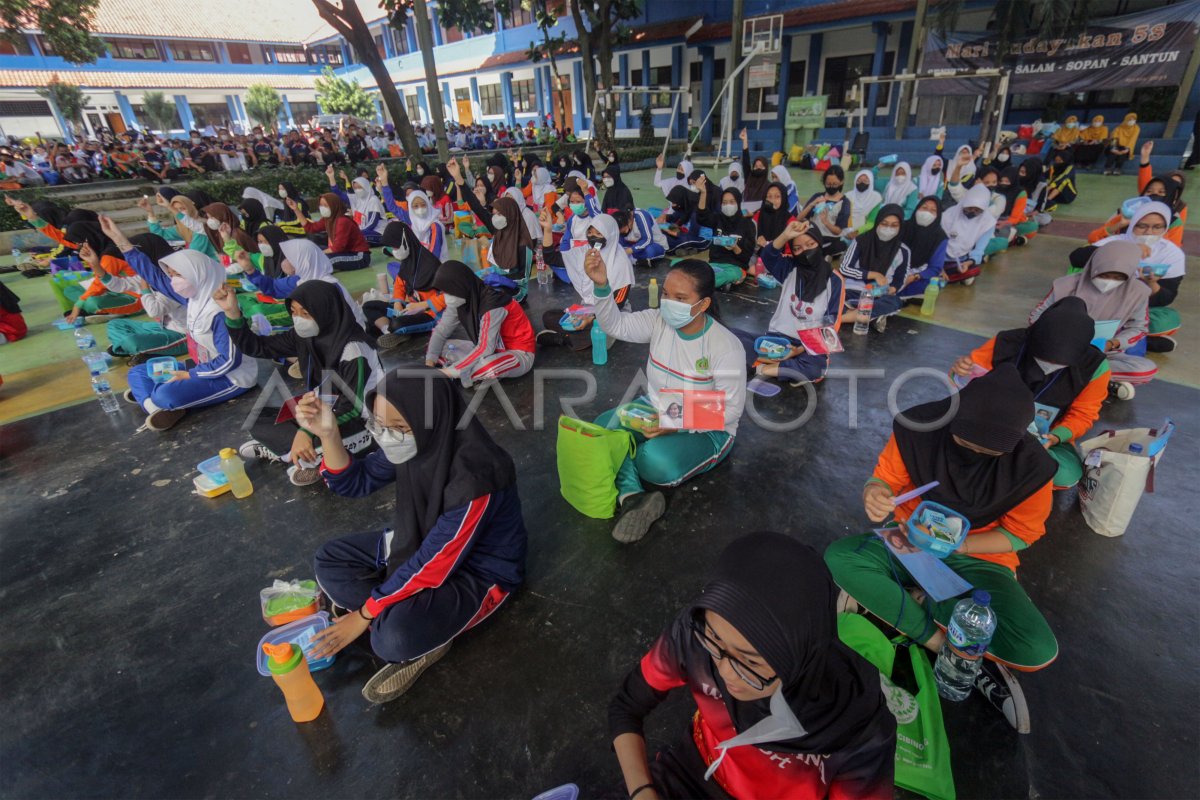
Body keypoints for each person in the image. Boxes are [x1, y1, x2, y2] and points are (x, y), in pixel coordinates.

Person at [825, 364, 1059, 732]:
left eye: (988, 453)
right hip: (908, 540)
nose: (972, 456)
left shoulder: (1031, 469)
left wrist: (962, 545)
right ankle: (944, 646)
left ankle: (915, 601)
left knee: (1036, 648)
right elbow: (884, 480)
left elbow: (1021, 534)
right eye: (965, 444)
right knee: (840, 558)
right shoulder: (918, 431)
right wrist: (875, 494)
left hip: (979, 558)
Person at [609, 532, 896, 800]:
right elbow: (627, 706)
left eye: (749, 661)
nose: (724, 672)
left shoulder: (857, 731)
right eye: (716, 643)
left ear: (801, 655)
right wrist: (642, 791)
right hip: (686, 775)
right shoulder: (698, 636)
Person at [302, 368, 528, 703]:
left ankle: (405, 618)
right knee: (329, 560)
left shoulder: (478, 476)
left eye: (398, 428)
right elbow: (354, 482)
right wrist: (329, 436)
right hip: (422, 539)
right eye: (380, 425)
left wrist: (364, 614)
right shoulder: (416, 440)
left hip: (478, 571)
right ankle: (404, 609)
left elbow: (435, 564)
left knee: (391, 640)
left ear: (429, 418)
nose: (388, 436)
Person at [586, 257, 747, 543]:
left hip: (711, 429)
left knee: (653, 462)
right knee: (603, 427)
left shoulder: (725, 346)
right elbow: (616, 326)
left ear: (703, 304)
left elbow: (731, 410)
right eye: (666, 294)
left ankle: (630, 462)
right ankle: (633, 498)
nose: (668, 302)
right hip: (657, 406)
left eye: (680, 297)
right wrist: (601, 286)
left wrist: (673, 422)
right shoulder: (658, 321)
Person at [217, 280, 383, 486]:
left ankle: (300, 457)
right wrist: (233, 314)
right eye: (294, 312)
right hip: (324, 408)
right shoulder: (305, 335)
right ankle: (297, 454)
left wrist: (306, 431)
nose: (298, 319)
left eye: (305, 313)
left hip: (365, 421)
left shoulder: (354, 350)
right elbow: (258, 347)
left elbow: (354, 409)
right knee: (260, 420)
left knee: (316, 437)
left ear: (325, 312)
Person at [100, 216, 257, 432]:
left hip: (231, 378)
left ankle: (158, 399)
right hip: (203, 368)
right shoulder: (194, 299)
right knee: (138, 372)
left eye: (178, 275)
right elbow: (154, 275)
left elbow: (229, 361)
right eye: (172, 275)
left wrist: (189, 375)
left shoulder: (220, 309)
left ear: (197, 275)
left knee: (165, 393)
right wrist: (120, 241)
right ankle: (156, 407)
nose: (174, 281)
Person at [952, 297, 1108, 488]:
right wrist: (960, 372)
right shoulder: (1007, 343)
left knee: (1065, 475)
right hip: (986, 427)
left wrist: (1056, 436)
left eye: (1061, 363)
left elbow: (1084, 414)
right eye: (1042, 357)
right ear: (1033, 337)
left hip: (1043, 439)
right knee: (953, 441)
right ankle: (1008, 473)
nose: (1050, 365)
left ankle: (997, 470)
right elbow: (966, 387)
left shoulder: (1094, 366)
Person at [1033, 240, 1154, 397]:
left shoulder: (1138, 292)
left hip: (1100, 351)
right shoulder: (1065, 285)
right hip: (1056, 348)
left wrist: (1112, 343)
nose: (1109, 281)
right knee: (1029, 355)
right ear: (1093, 266)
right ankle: (1093, 382)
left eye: (1118, 277)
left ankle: (1065, 378)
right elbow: (1036, 316)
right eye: (1104, 275)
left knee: (1144, 369)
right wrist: (1058, 335)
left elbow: (1139, 328)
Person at [735, 220, 844, 387]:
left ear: (819, 243)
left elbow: (831, 325)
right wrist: (786, 235)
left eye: (810, 244)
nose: (805, 252)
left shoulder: (834, 280)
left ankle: (761, 368)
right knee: (732, 336)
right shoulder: (789, 268)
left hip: (808, 348)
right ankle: (778, 366)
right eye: (797, 248)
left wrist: (798, 350)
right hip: (777, 340)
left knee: (815, 367)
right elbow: (768, 256)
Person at [1076, 201, 1184, 354]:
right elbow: (1076, 257)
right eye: (1142, 226)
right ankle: (1140, 340)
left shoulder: (1171, 254)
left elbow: (1166, 298)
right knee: (1077, 313)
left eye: (1157, 227)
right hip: (1100, 302)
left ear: (1165, 228)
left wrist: (1151, 284)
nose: (1149, 232)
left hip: (1135, 307)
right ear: (1132, 224)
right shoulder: (1117, 241)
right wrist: (1127, 250)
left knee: (1168, 320)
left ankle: (1114, 337)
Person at [424, 260, 535, 386]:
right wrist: (429, 365)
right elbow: (441, 331)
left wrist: (447, 373)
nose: (445, 296)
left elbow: (485, 348)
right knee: (437, 347)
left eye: (448, 291)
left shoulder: (492, 304)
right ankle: (465, 371)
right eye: (444, 292)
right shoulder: (460, 299)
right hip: (486, 350)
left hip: (518, 354)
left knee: (489, 366)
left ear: (459, 286)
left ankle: (459, 371)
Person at [536, 211, 634, 350]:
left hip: (612, 314)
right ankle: (573, 337)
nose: (593, 237)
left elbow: (619, 302)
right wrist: (547, 229)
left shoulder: (620, 262)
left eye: (599, 234)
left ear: (610, 235)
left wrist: (591, 318)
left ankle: (562, 338)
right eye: (590, 233)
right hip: (586, 310)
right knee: (549, 316)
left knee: (601, 331)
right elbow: (551, 258)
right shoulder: (584, 252)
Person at [240, 237, 367, 328]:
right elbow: (273, 287)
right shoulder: (301, 280)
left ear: (303, 261)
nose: (284, 262)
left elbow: (330, 325)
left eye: (289, 258)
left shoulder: (328, 287)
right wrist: (250, 270)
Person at [103, 233, 189, 364]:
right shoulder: (153, 273)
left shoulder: (177, 278)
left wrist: (144, 288)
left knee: (131, 341)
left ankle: (132, 346)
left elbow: (154, 311)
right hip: (163, 327)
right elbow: (119, 285)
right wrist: (96, 267)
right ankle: (134, 347)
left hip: (183, 334)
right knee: (115, 324)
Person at [366, 221, 445, 348]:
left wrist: (422, 305)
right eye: (393, 248)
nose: (395, 251)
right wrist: (398, 303)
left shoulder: (431, 265)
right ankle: (389, 331)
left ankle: (396, 329)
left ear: (405, 241)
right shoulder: (407, 261)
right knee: (369, 306)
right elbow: (399, 284)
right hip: (410, 308)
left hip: (430, 314)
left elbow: (448, 296)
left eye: (396, 247)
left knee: (398, 324)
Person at [839, 204, 910, 329]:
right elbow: (844, 268)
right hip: (854, 290)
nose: (888, 228)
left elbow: (900, 279)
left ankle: (845, 316)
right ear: (877, 222)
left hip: (879, 295)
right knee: (838, 295)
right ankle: (870, 317)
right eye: (884, 223)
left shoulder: (903, 251)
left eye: (894, 225)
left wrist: (892, 289)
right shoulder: (861, 241)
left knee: (895, 301)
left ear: (901, 227)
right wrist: (874, 274)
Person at [290, 191, 371, 271]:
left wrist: (317, 255)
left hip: (360, 256)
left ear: (333, 205)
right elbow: (311, 228)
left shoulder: (342, 221)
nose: (322, 208)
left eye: (325, 205)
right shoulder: (328, 219)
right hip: (345, 253)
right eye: (321, 205)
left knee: (325, 260)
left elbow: (337, 248)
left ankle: (306, 273)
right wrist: (296, 209)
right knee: (315, 249)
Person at [697, 181, 757, 288]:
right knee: (695, 270)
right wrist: (703, 193)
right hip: (715, 264)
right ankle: (719, 284)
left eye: (731, 202)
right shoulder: (718, 219)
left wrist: (735, 248)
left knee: (718, 276)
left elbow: (746, 257)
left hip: (735, 267)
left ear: (738, 203)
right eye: (724, 203)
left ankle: (702, 286)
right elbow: (702, 217)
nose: (727, 205)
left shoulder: (748, 224)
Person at [940, 184, 996, 285]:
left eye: (977, 210)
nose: (972, 212)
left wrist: (967, 263)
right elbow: (937, 243)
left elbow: (979, 249)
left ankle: (948, 276)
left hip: (961, 260)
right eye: (969, 208)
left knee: (973, 270)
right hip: (940, 257)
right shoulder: (949, 215)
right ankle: (944, 274)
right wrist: (938, 266)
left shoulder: (988, 223)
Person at [896, 197, 948, 301]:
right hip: (893, 269)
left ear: (938, 216)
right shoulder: (902, 226)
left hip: (916, 273)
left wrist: (914, 277)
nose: (927, 212)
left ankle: (895, 294)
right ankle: (899, 295)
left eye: (933, 210)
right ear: (917, 209)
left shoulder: (940, 237)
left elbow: (935, 267)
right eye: (924, 207)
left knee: (933, 283)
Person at [799, 166, 850, 257]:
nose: (831, 186)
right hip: (812, 235)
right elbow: (799, 218)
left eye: (834, 184)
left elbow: (838, 231)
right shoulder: (818, 197)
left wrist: (826, 222)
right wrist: (811, 204)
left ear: (841, 182)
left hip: (830, 239)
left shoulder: (844, 203)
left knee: (839, 246)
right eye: (828, 184)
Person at [658, 184, 709, 256]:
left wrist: (675, 233)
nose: (672, 206)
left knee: (683, 240)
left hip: (702, 239)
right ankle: (687, 249)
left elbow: (693, 234)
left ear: (681, 200)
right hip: (687, 233)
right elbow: (674, 217)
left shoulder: (696, 212)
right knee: (662, 229)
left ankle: (672, 249)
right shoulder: (684, 205)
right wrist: (664, 216)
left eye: (674, 203)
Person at [846, 169, 882, 236]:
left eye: (865, 181)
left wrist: (857, 232)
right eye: (859, 180)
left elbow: (871, 222)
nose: (861, 183)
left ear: (871, 182)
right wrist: (847, 231)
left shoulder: (876, 198)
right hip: (846, 231)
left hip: (865, 232)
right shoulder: (848, 195)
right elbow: (843, 216)